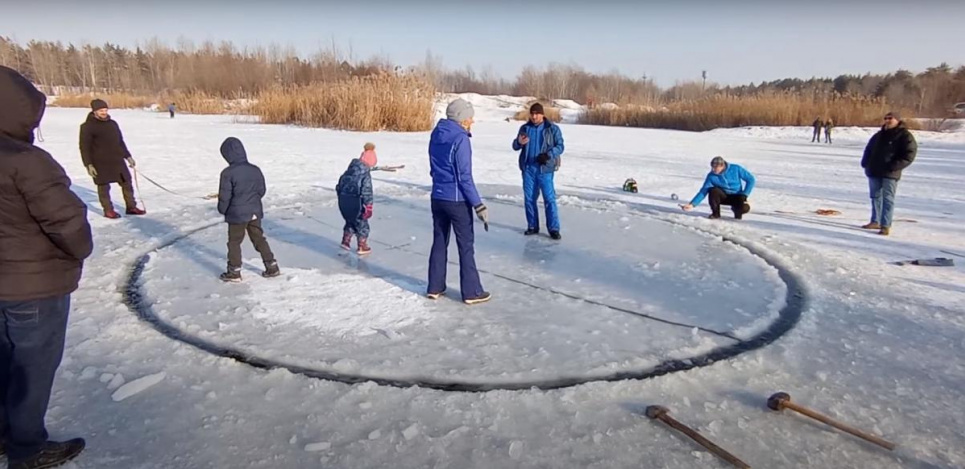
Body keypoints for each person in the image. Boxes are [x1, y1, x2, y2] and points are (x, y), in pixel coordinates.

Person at [0, 66, 92, 469]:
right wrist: (79, 250)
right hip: (32, 287)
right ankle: (26, 448)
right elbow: (68, 223)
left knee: (5, 365)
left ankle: (7, 435)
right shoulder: (27, 162)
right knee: (32, 371)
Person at [427, 98, 491, 305]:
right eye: (470, 116)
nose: (472, 121)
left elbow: (433, 166)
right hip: (456, 201)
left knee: (439, 241)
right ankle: (471, 291)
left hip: (437, 197)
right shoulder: (461, 139)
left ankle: (435, 286)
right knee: (465, 245)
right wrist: (478, 204)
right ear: (462, 118)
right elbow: (464, 176)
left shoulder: (436, 134)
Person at [217, 137, 280, 281]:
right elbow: (261, 190)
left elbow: (225, 197)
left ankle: (234, 271)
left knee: (234, 242)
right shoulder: (255, 169)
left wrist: (223, 209)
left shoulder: (227, 173)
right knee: (258, 238)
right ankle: (271, 265)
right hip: (254, 212)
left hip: (237, 215)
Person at [79, 99, 146, 219]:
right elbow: (84, 148)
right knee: (103, 187)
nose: (104, 112)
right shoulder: (87, 127)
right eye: (101, 110)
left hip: (117, 160)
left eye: (105, 110)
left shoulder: (112, 124)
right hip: (100, 162)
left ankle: (131, 207)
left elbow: (120, 141)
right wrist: (88, 164)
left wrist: (128, 156)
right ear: (94, 111)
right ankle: (108, 210)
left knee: (127, 183)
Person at [512, 103, 565, 239]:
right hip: (528, 169)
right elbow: (515, 146)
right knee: (529, 198)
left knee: (549, 198)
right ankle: (532, 226)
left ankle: (553, 228)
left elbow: (560, 146)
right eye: (532, 114)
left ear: (542, 114)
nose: (534, 116)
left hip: (545, 169)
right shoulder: (525, 128)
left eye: (537, 114)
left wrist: (548, 155)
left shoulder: (552, 129)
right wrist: (519, 143)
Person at [860, 111, 917, 236]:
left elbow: (909, 154)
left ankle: (885, 225)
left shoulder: (904, 136)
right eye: (885, 118)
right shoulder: (879, 135)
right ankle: (875, 221)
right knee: (875, 197)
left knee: (888, 199)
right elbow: (868, 149)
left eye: (890, 118)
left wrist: (894, 166)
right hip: (874, 170)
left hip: (890, 173)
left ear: (897, 120)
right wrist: (865, 163)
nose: (887, 120)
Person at [681, 156, 756, 219]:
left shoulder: (736, 169)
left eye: (716, 168)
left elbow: (751, 179)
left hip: (737, 196)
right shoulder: (711, 176)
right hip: (723, 196)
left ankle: (737, 214)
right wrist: (692, 204)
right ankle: (715, 213)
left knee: (744, 208)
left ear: (722, 166)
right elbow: (703, 191)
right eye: (712, 167)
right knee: (713, 191)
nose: (714, 170)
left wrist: (745, 194)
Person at [336, 143, 377, 255]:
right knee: (362, 223)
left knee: (350, 221)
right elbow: (367, 191)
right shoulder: (365, 175)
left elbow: (339, 185)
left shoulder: (349, 171)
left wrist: (342, 197)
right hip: (357, 203)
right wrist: (368, 206)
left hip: (344, 202)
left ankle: (346, 240)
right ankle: (362, 245)